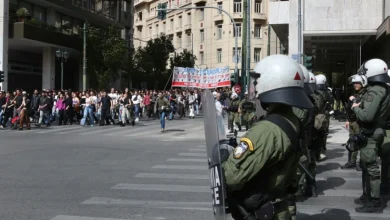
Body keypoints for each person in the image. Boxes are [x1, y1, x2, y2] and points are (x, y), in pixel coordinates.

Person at [222, 54, 313, 220]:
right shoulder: (292, 119)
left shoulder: (267, 130)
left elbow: (231, 177)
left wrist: (224, 161)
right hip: (279, 206)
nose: (255, 86)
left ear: (272, 81)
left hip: (262, 212)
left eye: (257, 81)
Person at [352, 58, 390, 213]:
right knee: (367, 166)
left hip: (371, 132)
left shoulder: (375, 91)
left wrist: (355, 108)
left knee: (371, 166)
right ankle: (368, 196)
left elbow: (367, 116)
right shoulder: (384, 89)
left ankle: (374, 201)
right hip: (377, 130)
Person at [342, 74, 367, 170]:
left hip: (358, 121)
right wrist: (348, 120)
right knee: (352, 141)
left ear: (362, 83)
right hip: (352, 121)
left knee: (360, 141)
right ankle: (352, 161)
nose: (355, 85)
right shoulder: (354, 94)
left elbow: (359, 107)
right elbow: (349, 109)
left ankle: (362, 163)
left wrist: (354, 101)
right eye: (354, 83)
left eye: (357, 83)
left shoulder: (364, 94)